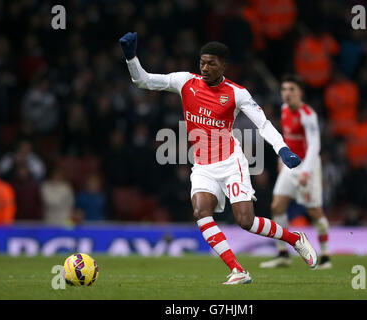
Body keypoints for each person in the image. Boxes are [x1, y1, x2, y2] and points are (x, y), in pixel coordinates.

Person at [119, 32, 318, 285]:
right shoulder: (185, 82)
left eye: (211, 63)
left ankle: (295, 239)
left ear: (224, 65)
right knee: (201, 212)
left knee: (245, 221)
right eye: (202, 62)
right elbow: (144, 81)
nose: (205, 67)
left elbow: (263, 124)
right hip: (202, 165)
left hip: (230, 163)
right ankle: (238, 270)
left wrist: (282, 148)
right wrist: (130, 58)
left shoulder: (237, 93)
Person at [260, 74, 332, 269]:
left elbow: (315, 145)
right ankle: (283, 254)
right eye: (284, 89)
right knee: (277, 207)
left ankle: (325, 255)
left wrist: (306, 172)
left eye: (291, 89)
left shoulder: (308, 115)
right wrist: (281, 158)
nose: (287, 93)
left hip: (308, 166)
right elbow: (287, 138)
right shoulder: (284, 110)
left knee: (314, 211)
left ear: (300, 92)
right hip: (291, 165)